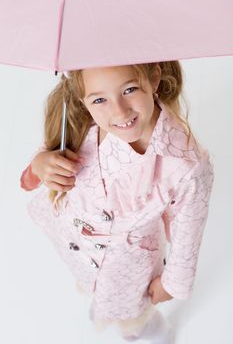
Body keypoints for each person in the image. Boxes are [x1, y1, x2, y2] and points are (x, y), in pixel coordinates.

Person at [20, 62, 214, 343]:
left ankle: (153, 332)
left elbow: (188, 233)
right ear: (82, 99)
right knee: (93, 286)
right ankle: (101, 299)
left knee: (133, 318)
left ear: (154, 78)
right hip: (77, 239)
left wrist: (171, 284)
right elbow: (35, 172)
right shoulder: (79, 120)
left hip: (128, 266)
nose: (119, 111)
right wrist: (41, 164)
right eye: (99, 99)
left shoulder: (185, 164)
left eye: (130, 89)